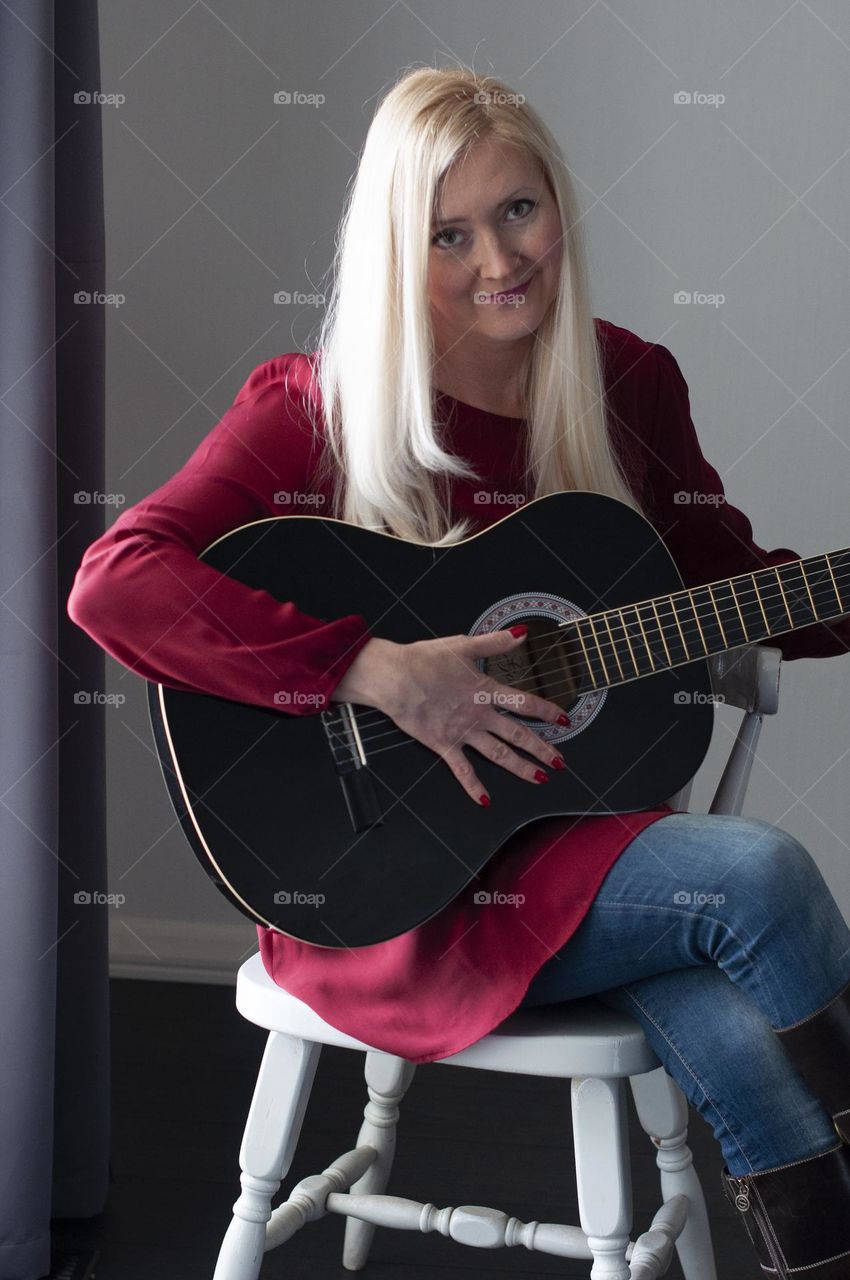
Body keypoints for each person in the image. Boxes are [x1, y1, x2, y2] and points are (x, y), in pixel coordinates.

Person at [67, 64, 850, 1275]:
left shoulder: (628, 383)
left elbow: (726, 583)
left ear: (558, 207)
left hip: (579, 844)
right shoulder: (316, 410)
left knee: (713, 939)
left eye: (518, 210)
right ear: (399, 245)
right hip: (386, 883)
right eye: (449, 232)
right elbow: (114, 579)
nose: (500, 258)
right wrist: (368, 667)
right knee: (753, 875)